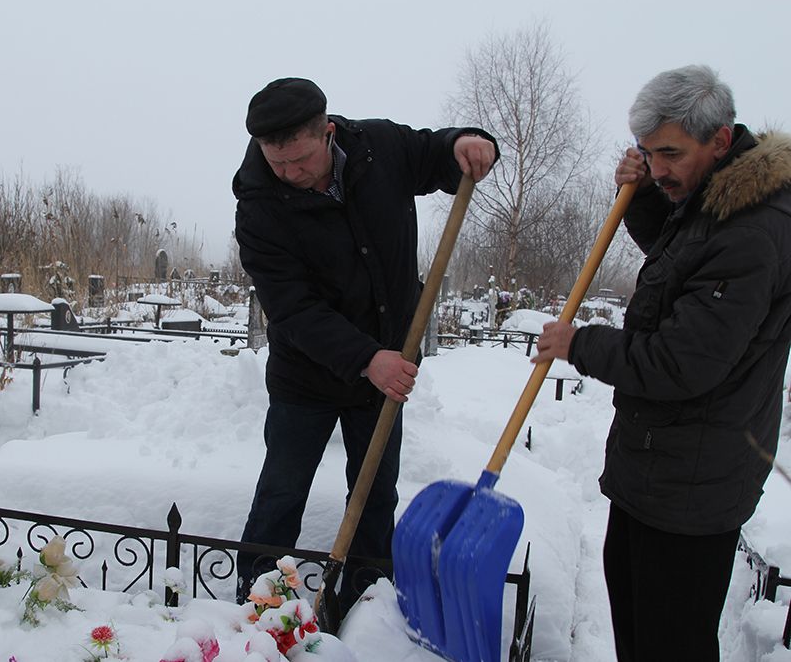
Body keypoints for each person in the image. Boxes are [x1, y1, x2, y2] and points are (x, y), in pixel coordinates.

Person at [532, 65, 791, 661]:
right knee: (638, 620)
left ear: (720, 141)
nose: (657, 168)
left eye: (669, 154)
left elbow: (682, 361)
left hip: (695, 482)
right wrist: (648, 197)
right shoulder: (715, 200)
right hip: (662, 465)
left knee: (669, 642)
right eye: (648, 155)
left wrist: (581, 345)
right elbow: (684, 270)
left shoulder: (753, 228)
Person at [232, 77, 498, 608]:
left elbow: (434, 152)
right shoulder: (259, 205)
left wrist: (467, 142)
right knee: (282, 491)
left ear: (327, 133)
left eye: (301, 160)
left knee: (375, 493)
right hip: (306, 375)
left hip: (387, 367)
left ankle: (366, 598)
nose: (290, 174)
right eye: (277, 162)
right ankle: (258, 598)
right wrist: (364, 358)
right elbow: (293, 309)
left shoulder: (380, 148)